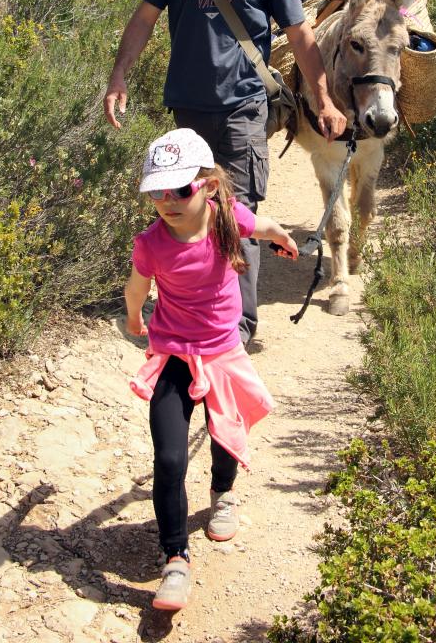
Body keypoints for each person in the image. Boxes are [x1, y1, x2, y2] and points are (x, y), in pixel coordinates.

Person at [104, 0, 346, 346]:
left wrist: (323, 99)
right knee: (183, 213)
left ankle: (236, 327)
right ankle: (187, 313)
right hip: (186, 111)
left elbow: (301, 39)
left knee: (238, 217)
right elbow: (144, 19)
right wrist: (119, 74)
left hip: (241, 110)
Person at [125, 127, 298, 611]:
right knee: (170, 459)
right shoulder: (152, 244)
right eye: (156, 191)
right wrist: (135, 318)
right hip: (175, 357)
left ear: (209, 186)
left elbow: (258, 226)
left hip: (222, 354)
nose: (167, 201)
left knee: (225, 438)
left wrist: (282, 235)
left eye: (179, 189)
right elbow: (136, 287)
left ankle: (223, 493)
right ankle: (175, 558)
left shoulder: (225, 219)